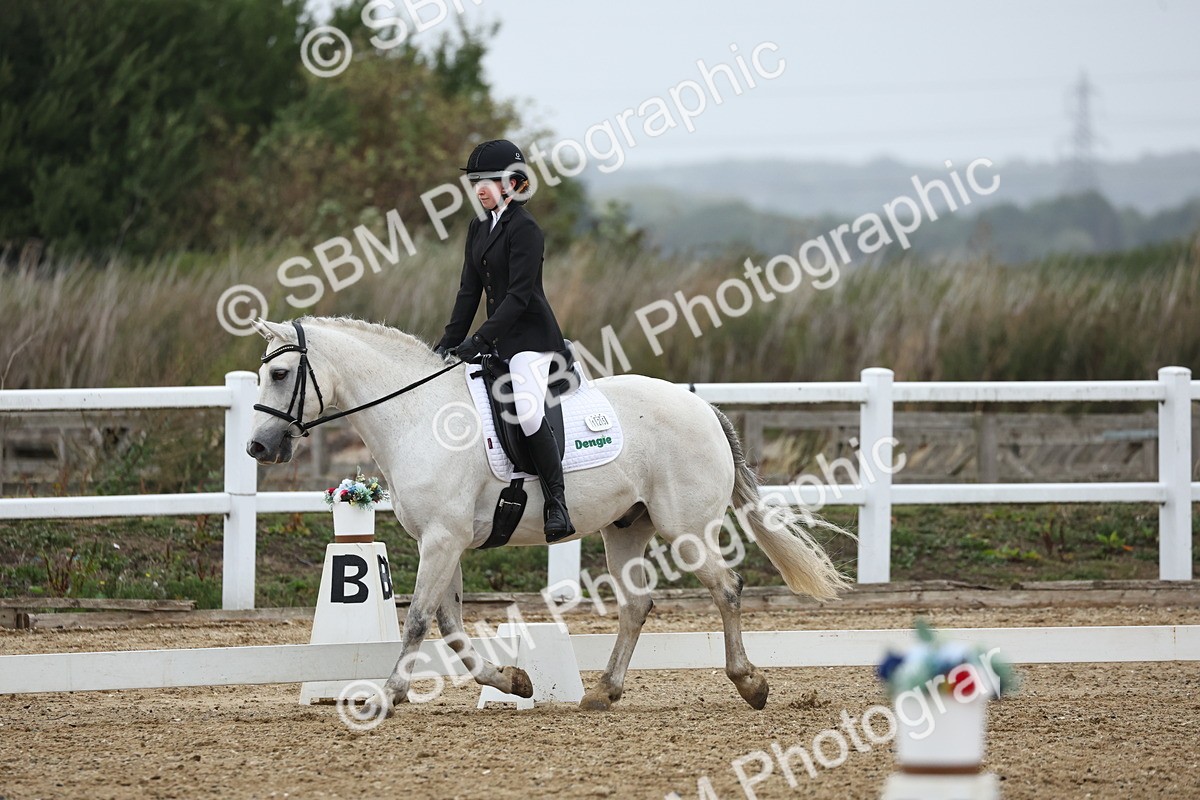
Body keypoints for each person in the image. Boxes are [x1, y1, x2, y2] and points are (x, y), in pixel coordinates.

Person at [434, 139, 576, 543]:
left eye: (489, 181)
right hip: (495, 338)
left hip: (530, 338)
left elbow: (518, 296)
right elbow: (468, 291)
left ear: (512, 183)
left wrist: (480, 338)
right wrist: (448, 343)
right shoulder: (479, 227)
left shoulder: (526, 229)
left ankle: (557, 502)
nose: (479, 188)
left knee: (529, 412)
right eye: (475, 181)